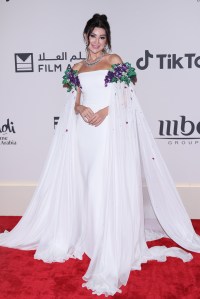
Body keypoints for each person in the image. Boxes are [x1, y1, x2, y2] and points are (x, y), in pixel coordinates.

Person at [0, 13, 200, 296]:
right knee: (84, 184)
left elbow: (126, 97)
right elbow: (76, 100)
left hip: (108, 132)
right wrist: (82, 110)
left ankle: (106, 243)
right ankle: (89, 237)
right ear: (86, 36)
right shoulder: (77, 66)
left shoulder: (114, 61)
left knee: (101, 184)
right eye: (93, 36)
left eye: (102, 37)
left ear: (107, 40)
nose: (97, 42)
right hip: (83, 134)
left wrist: (105, 113)